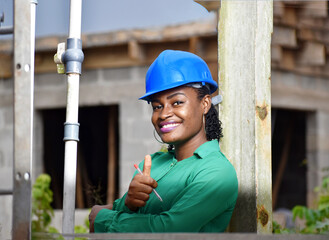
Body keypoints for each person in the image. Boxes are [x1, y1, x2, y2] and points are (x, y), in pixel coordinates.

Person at [89, 49, 238, 233]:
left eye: (177, 102)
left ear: (205, 104)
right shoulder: (154, 164)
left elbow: (171, 229)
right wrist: (129, 204)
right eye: (157, 106)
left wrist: (101, 219)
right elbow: (125, 217)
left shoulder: (216, 172)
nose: (164, 114)